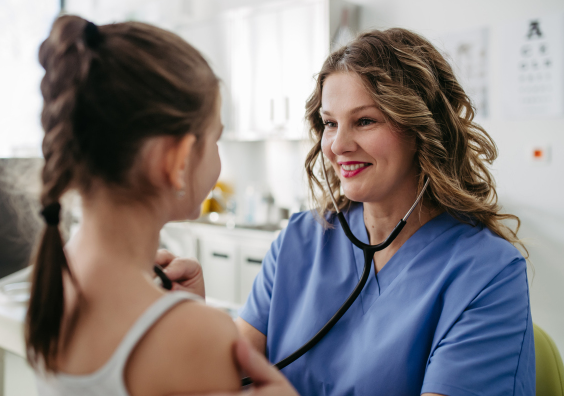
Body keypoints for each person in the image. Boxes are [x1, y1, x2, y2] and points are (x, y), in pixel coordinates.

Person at [159, 28, 535, 396]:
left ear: (422, 128)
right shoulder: (301, 239)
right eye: (330, 123)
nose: (338, 145)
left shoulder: (488, 274)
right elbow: (228, 376)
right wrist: (191, 317)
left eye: (365, 121)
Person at [25, 14, 297, 396]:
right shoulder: (196, 334)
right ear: (179, 160)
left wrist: (178, 315)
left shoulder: (58, 270)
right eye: (214, 139)